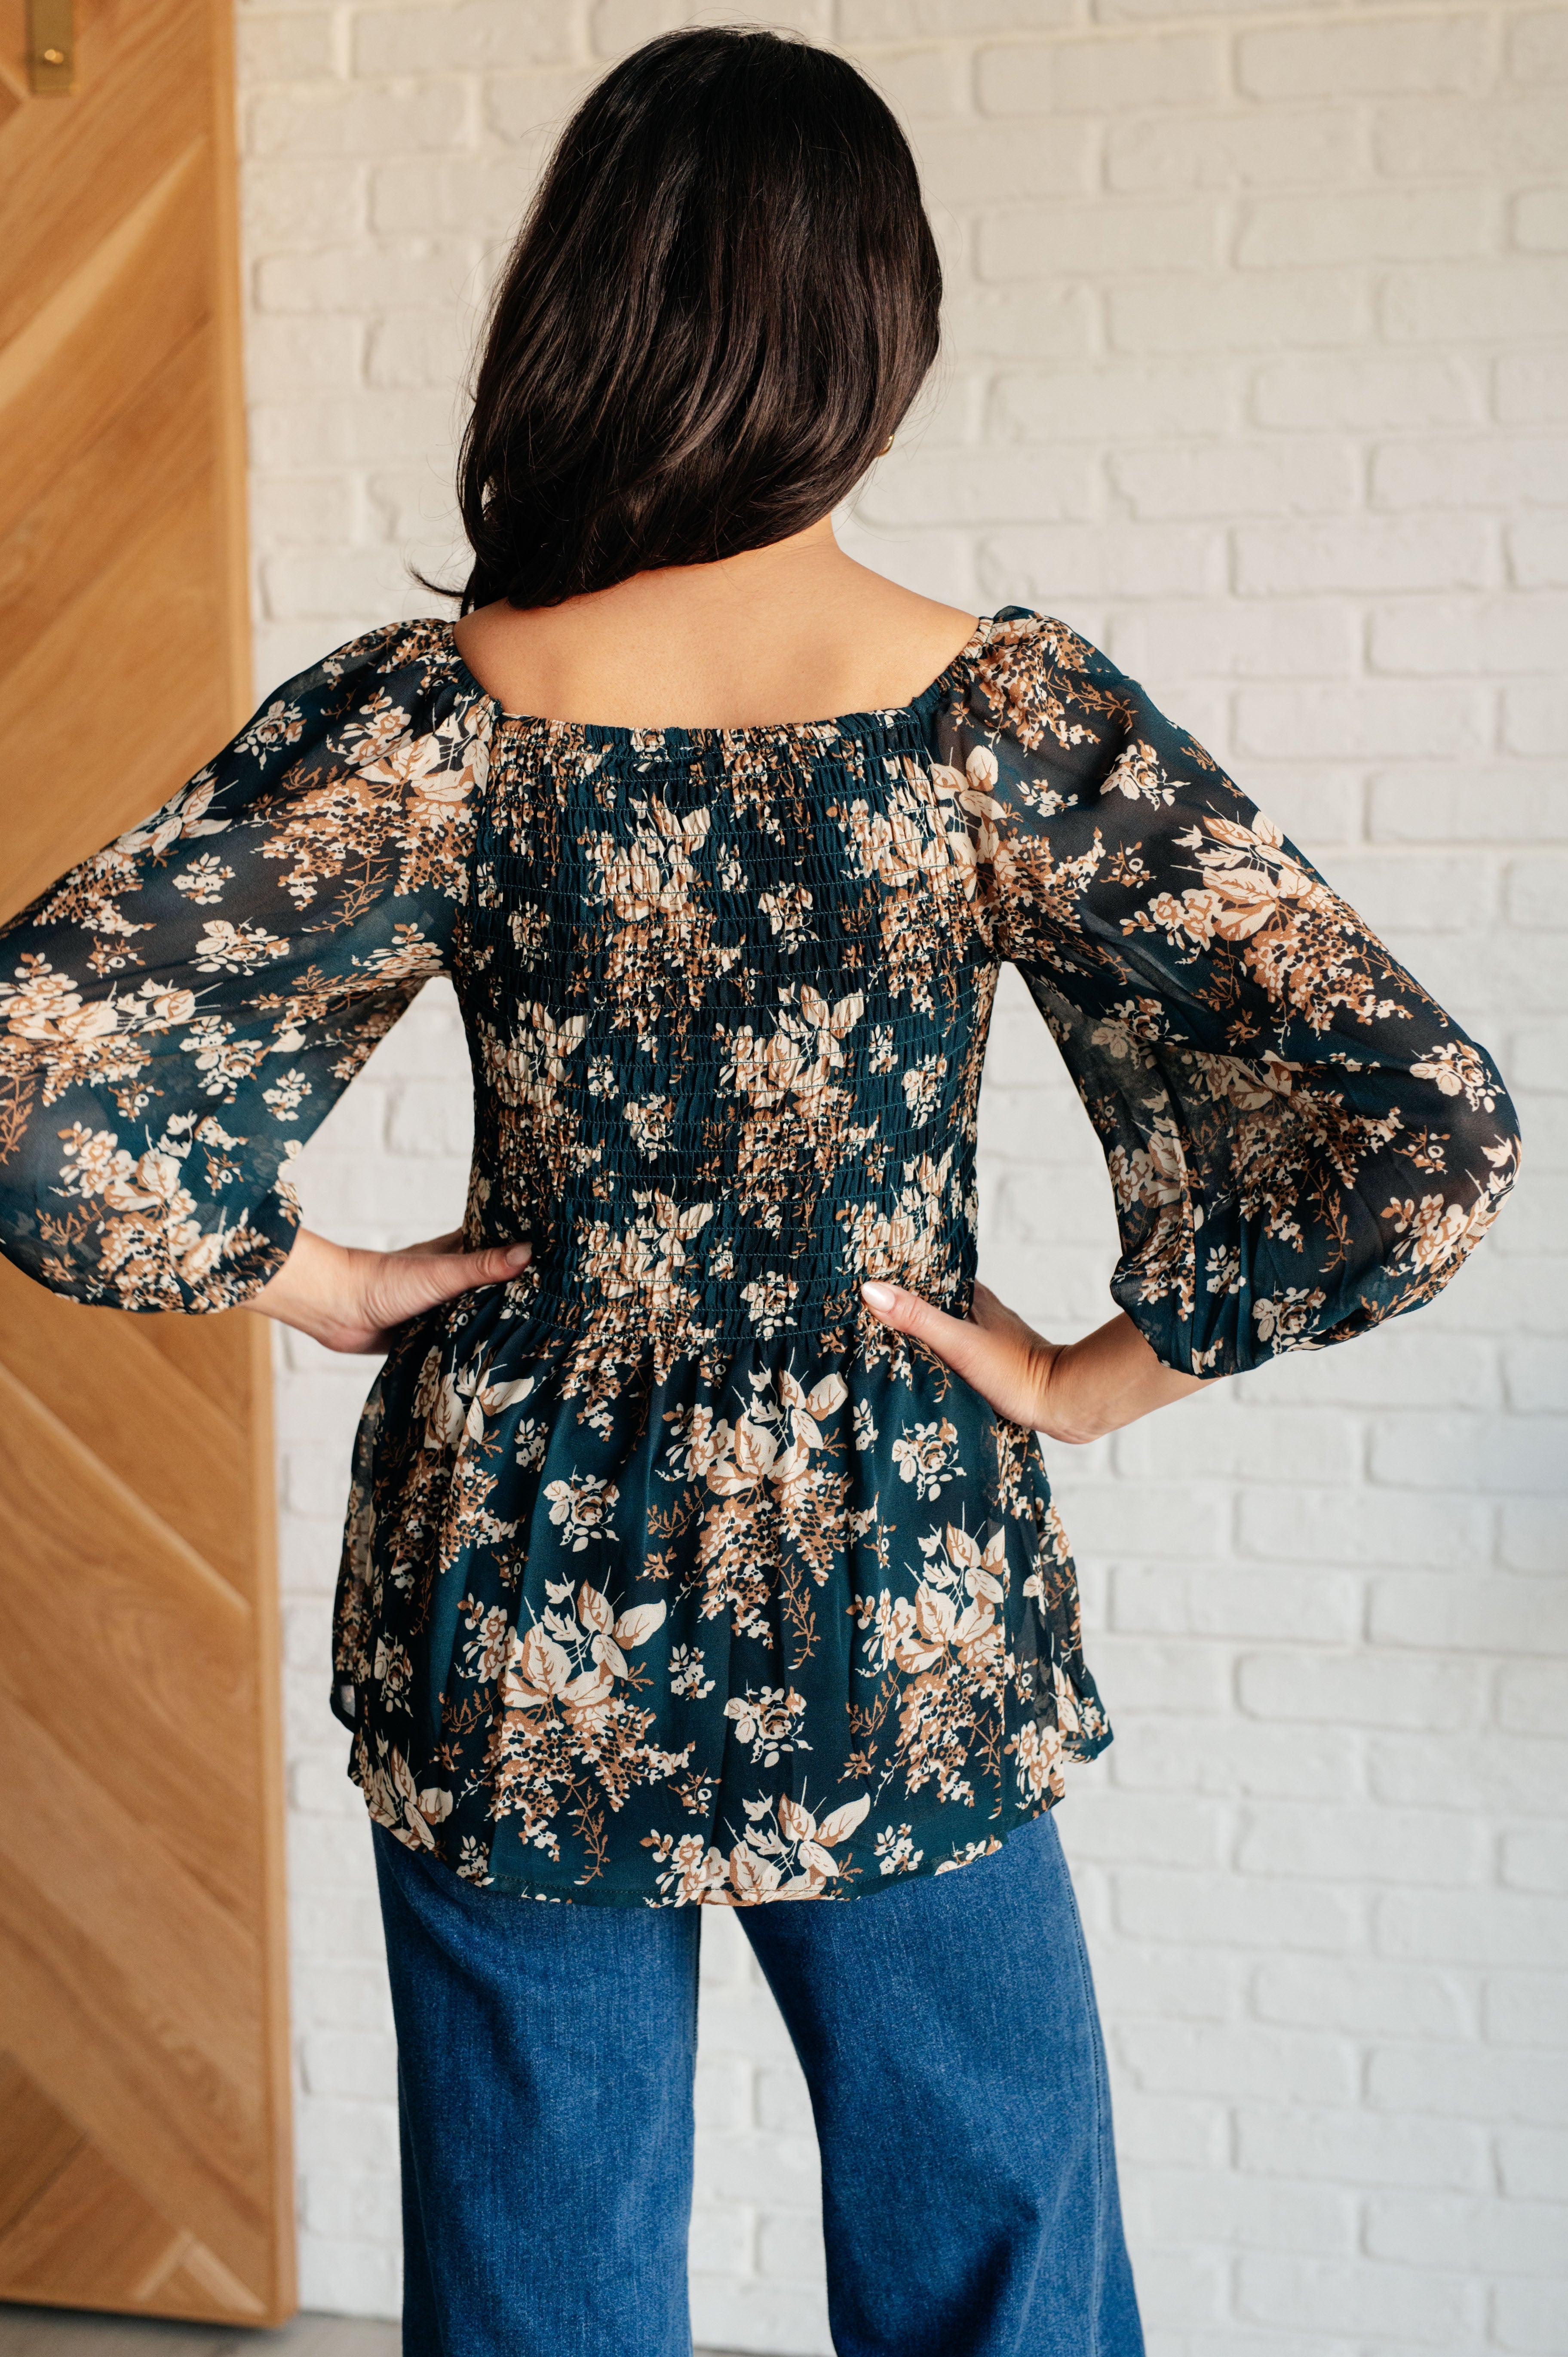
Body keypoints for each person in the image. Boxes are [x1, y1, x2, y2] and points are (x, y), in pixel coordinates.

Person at [0, 26, 1522, 2357]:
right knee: (997, 2243)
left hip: (515, 1557)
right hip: (895, 1562)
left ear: (581, 305)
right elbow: (1423, 1118)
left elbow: (41, 1063)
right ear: (878, 334)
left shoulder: (438, 718)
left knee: (539, 2274)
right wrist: (1096, 1379)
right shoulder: (1000, 720)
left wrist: (322, 1279)